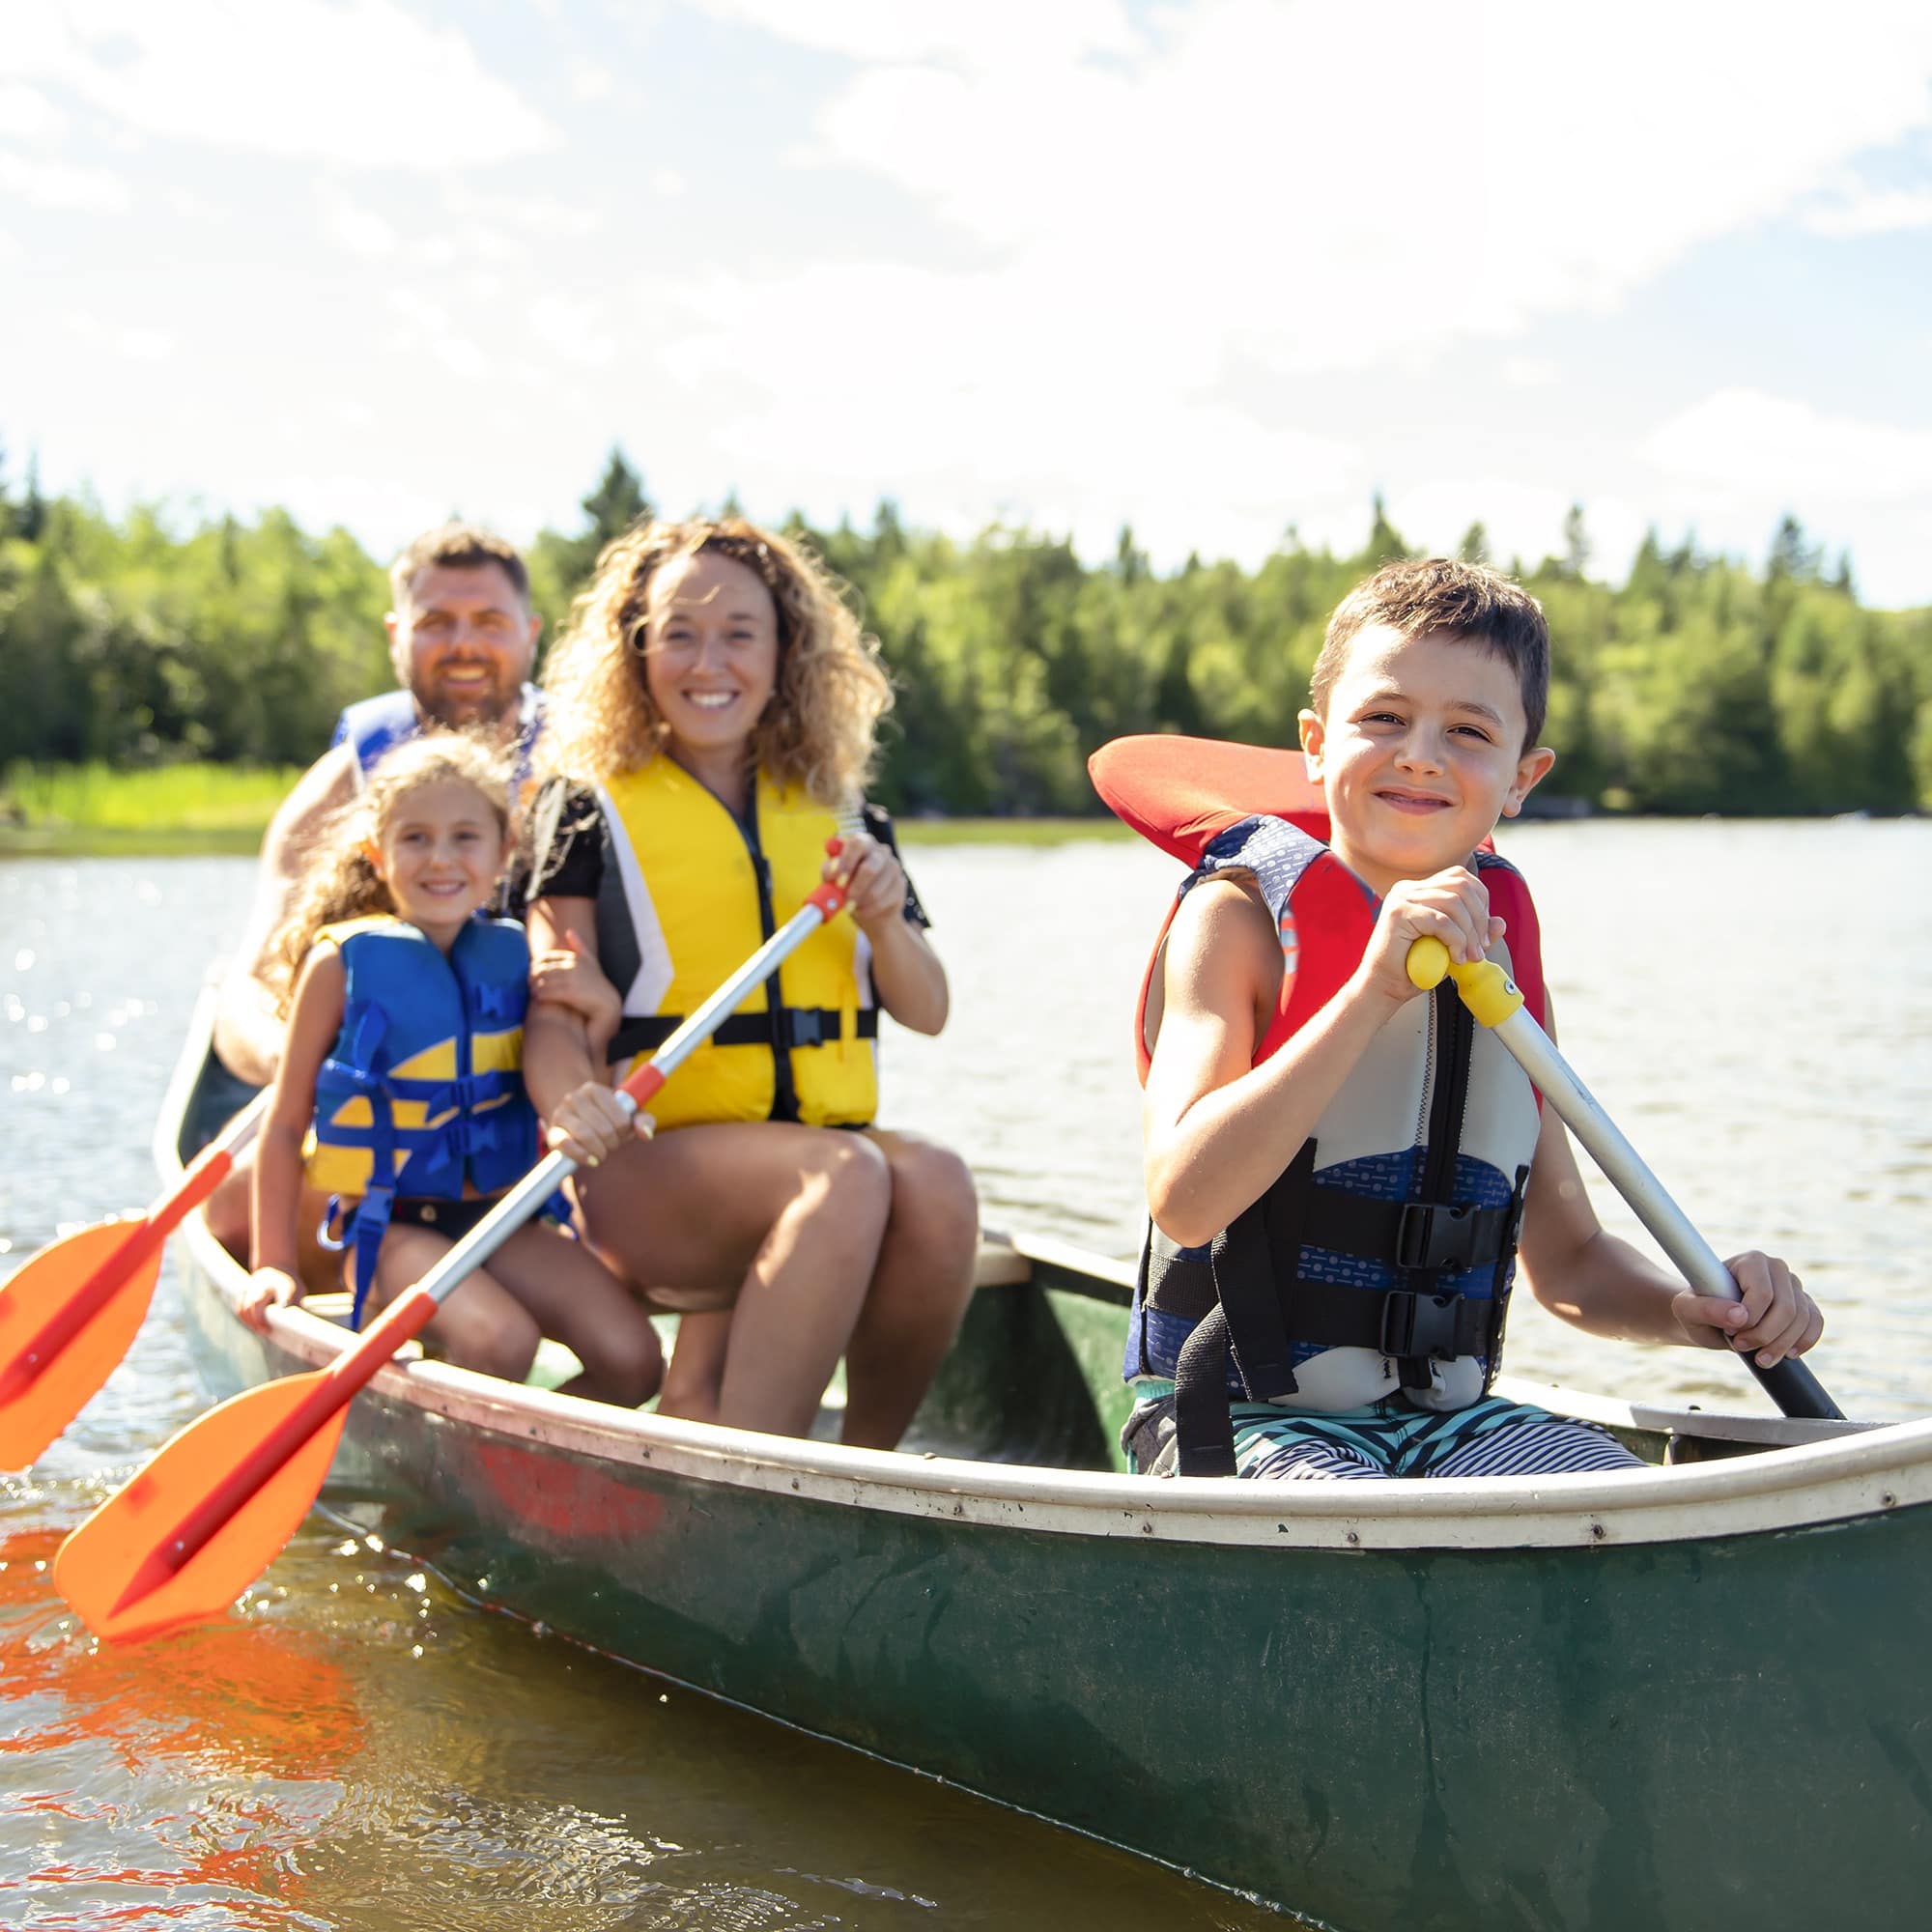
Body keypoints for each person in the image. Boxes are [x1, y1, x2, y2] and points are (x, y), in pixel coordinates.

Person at [1122, 557, 1824, 1480]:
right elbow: (1185, 1194)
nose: (1420, 753)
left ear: (1523, 775)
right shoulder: (1238, 923)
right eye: (1383, 718)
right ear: (1316, 741)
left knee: (1628, 1504)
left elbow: (1569, 1266)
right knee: (1357, 1529)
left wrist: (1690, 1313)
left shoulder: (1503, 957)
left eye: (1467, 730)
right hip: (1231, 1410)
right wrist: (1370, 990)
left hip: (1448, 1425)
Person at [520, 516, 979, 1446]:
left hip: (809, 1160)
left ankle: (867, 1471)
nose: (708, 661)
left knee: (936, 1182)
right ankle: (763, 1475)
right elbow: (555, 1006)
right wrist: (573, 1101)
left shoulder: (846, 812)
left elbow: (926, 1009)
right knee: (844, 1172)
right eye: (677, 632)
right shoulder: (586, 807)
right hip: (648, 1170)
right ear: (636, 647)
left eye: (739, 632)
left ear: (784, 651)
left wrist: (885, 919)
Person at [241, 733, 663, 1405]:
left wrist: (603, 1013)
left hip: (506, 1218)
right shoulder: (338, 965)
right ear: (377, 856)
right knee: (502, 1341)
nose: (440, 859)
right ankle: (455, 1489)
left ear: (503, 855)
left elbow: (578, 1085)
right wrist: (274, 1265)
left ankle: (529, 1474)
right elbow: (288, 1122)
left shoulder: (516, 955)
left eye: (465, 837)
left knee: (635, 1362)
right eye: (414, 839)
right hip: (393, 1227)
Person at [207, 523, 545, 1260]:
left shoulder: (583, 768)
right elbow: (243, 997)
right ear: (397, 636)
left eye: (488, 622)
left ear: (530, 633)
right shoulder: (341, 785)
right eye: (435, 623)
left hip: (532, 1118)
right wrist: (316, 1071)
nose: (463, 643)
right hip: (383, 1136)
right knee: (232, 1211)